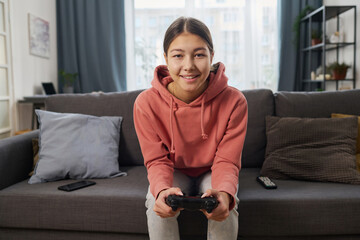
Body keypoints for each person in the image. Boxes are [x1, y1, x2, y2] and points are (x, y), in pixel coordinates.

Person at [133, 16, 248, 240]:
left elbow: (227, 161)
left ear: (211, 56)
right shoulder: (145, 103)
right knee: (157, 203)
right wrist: (162, 190)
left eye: (199, 54)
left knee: (224, 204)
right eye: (178, 55)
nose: (189, 66)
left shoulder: (235, 101)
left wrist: (225, 194)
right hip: (174, 170)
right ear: (165, 58)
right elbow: (157, 160)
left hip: (213, 169)